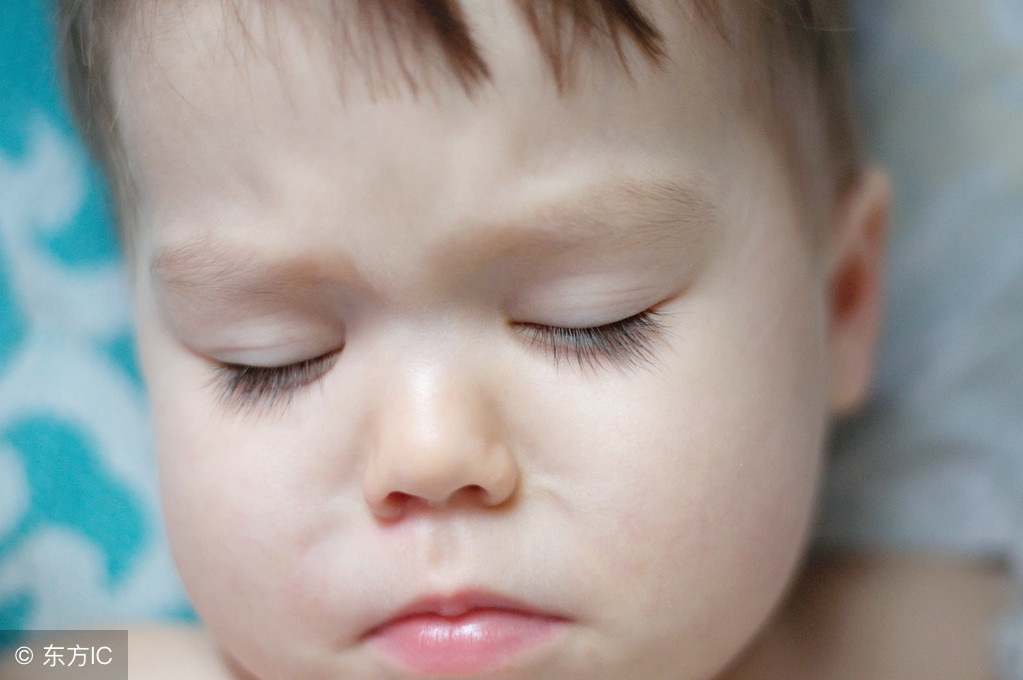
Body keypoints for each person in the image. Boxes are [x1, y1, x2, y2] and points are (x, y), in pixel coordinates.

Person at [27, 0, 1004, 678]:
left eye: (590, 318)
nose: (431, 453)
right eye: (271, 356)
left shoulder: (936, 637)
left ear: (839, 302)